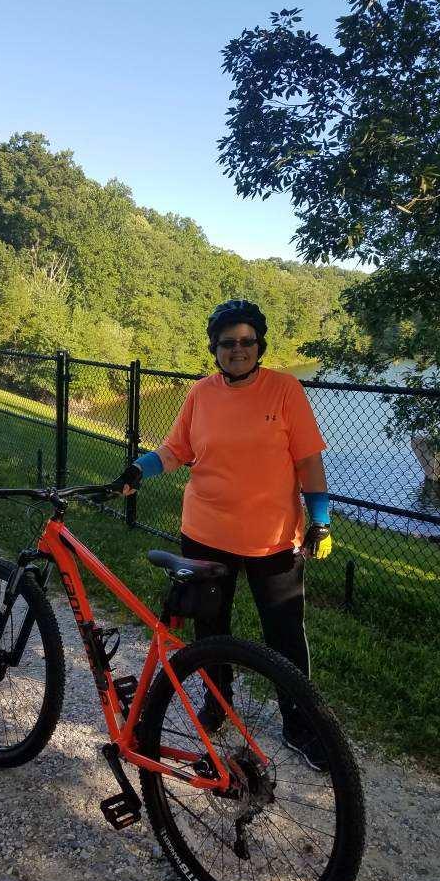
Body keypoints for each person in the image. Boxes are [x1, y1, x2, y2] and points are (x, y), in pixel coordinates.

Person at [114, 299, 332, 770]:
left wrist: (321, 517)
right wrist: (138, 468)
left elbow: (308, 461)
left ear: (260, 344)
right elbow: (176, 450)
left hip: (272, 539)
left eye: (247, 341)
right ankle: (219, 704)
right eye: (228, 342)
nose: (238, 349)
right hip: (205, 533)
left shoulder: (285, 390)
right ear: (215, 348)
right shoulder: (201, 394)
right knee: (210, 630)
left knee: (285, 636)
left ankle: (300, 725)